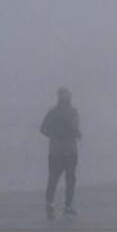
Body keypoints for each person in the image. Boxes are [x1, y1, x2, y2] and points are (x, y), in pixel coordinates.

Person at [40, 87, 82, 220]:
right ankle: (52, 205)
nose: (65, 97)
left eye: (66, 95)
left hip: (66, 151)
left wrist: (54, 134)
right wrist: (57, 134)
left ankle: (65, 206)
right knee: (56, 178)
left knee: (67, 179)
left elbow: (44, 129)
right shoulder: (56, 113)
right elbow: (43, 129)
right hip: (61, 151)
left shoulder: (62, 112)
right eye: (63, 95)